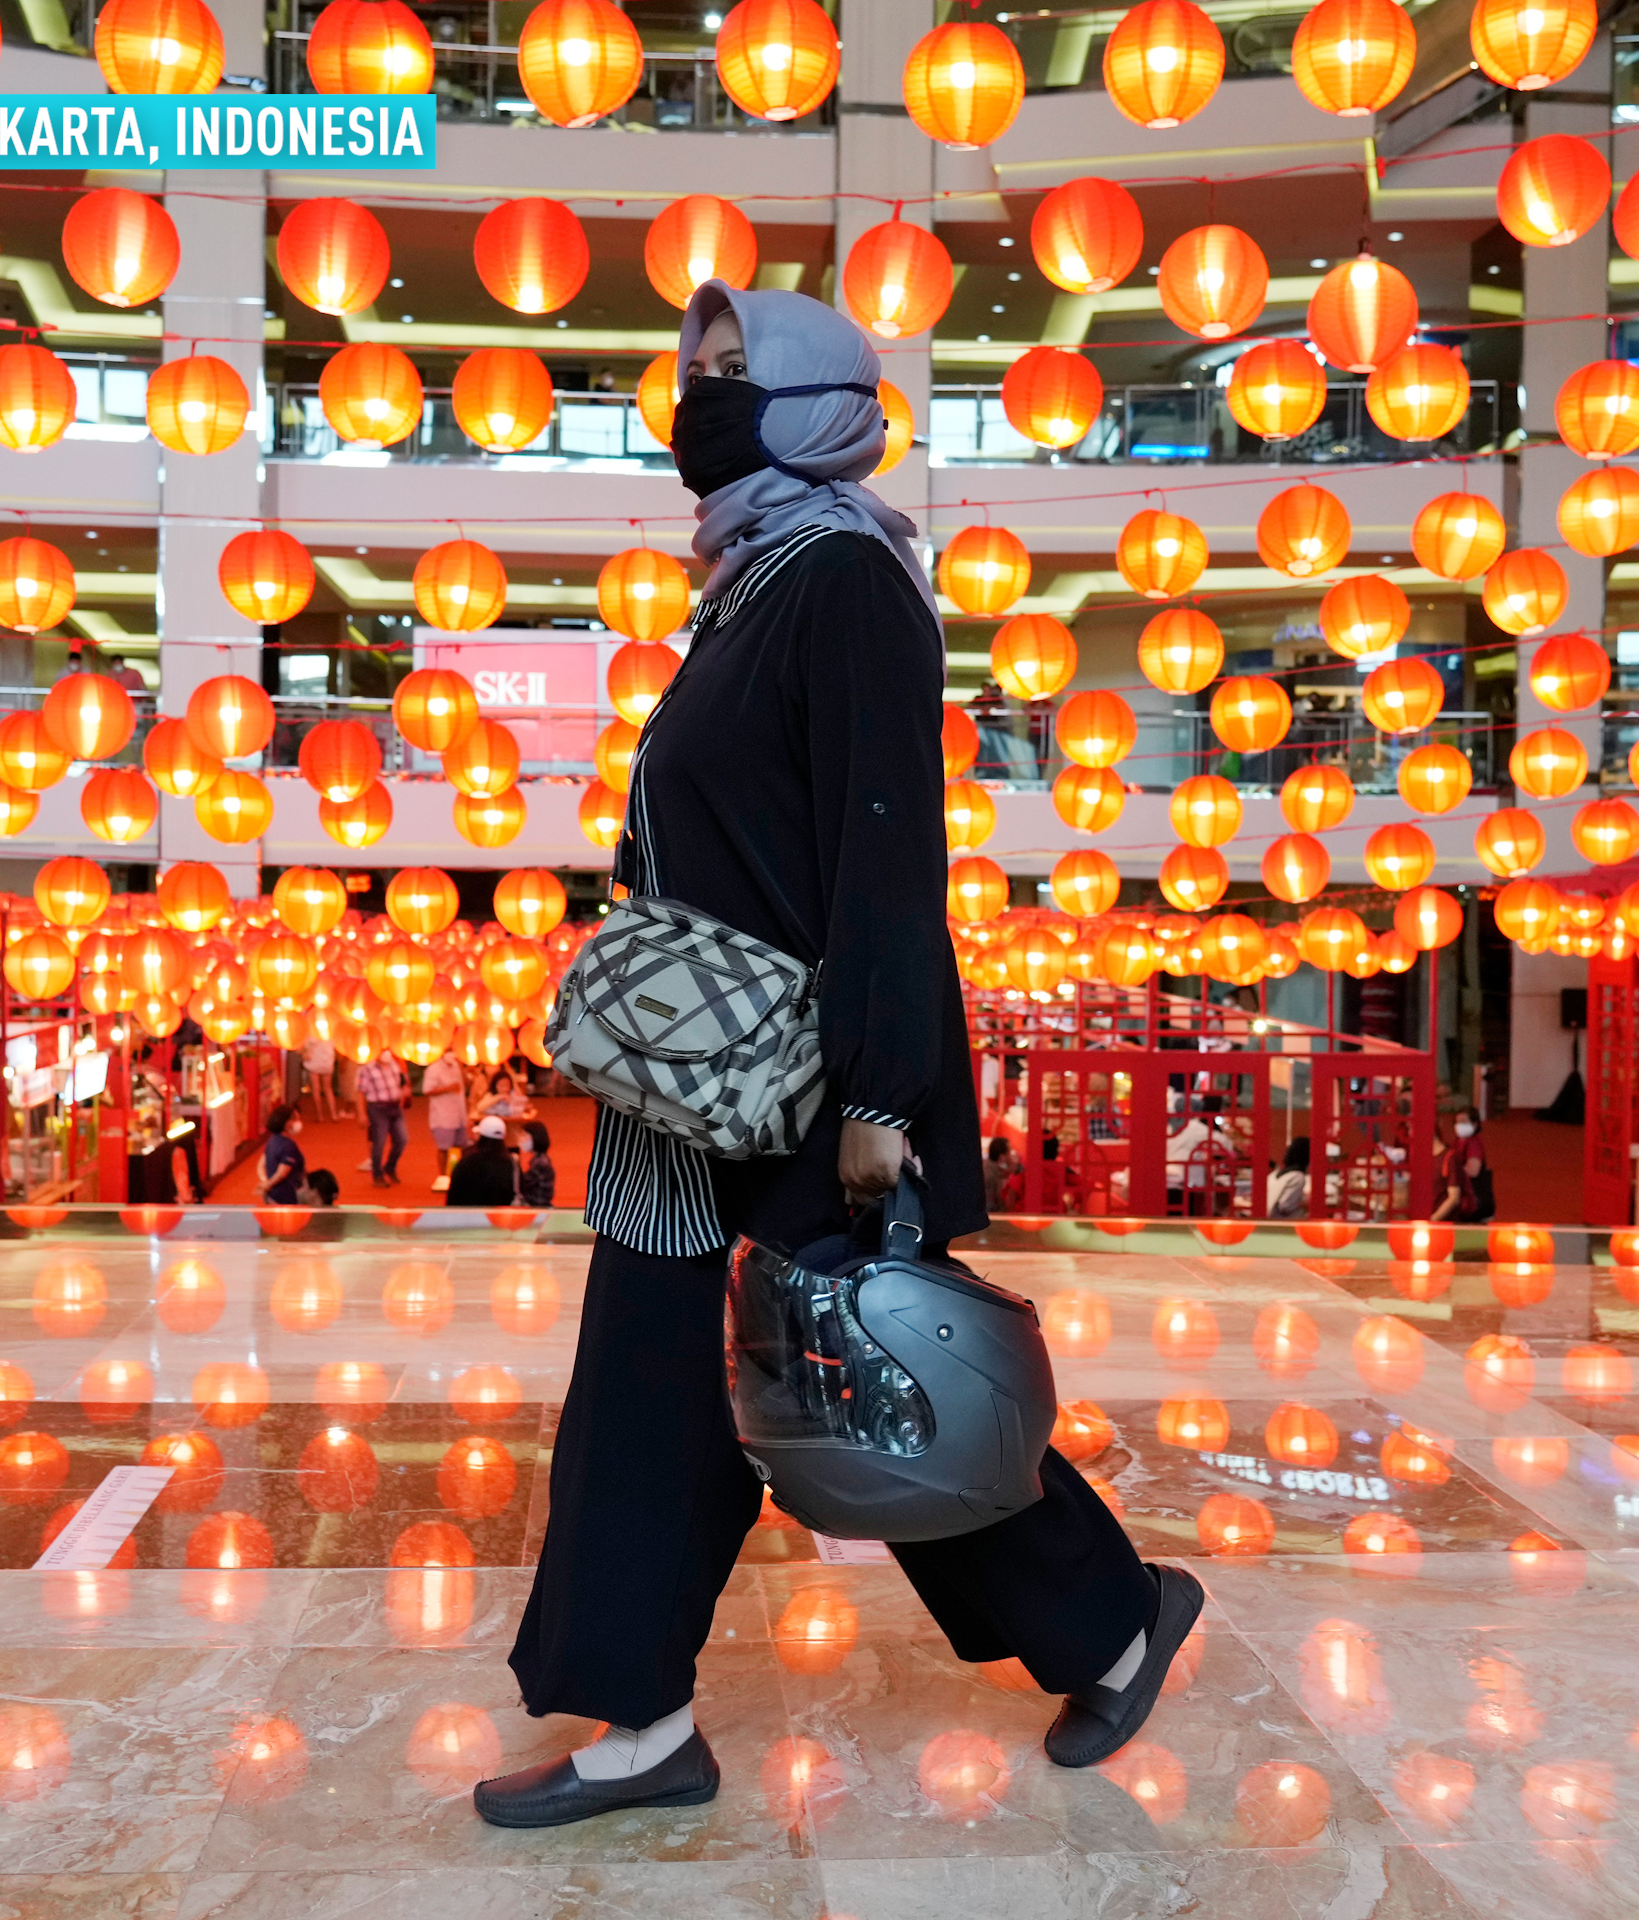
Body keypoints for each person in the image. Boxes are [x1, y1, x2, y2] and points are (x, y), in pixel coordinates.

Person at [475, 282, 1188, 1833]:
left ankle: (1115, 1624)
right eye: (696, 371)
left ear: (818, 399)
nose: (705, 397)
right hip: (695, 1078)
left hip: (803, 1075)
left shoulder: (847, 580)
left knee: (872, 1379)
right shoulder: (741, 584)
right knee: (654, 1389)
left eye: (738, 370)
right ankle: (643, 1721)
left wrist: (879, 1087)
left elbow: (885, 852)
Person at [356, 1048, 410, 1189]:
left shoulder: (394, 1065)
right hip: (378, 1108)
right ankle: (377, 1175)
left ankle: (390, 1166)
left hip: (395, 1107)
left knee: (402, 1139)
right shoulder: (367, 1069)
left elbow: (401, 1083)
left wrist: (403, 1094)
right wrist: (361, 1114)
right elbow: (360, 1092)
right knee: (379, 1142)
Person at [1431, 1106, 1493, 1222]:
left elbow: (1473, 1170)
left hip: (1473, 1203)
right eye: (1457, 1122)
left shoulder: (1473, 1143)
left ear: (1475, 1124)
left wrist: (1453, 1169)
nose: (1459, 1125)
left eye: (1464, 1122)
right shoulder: (1459, 1141)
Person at [446, 1114, 520, 1205]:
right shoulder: (511, 1162)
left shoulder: (467, 1162)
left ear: (480, 1136)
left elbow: (454, 1195)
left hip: (469, 1212)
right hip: (500, 1213)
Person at [423, 1051, 470, 1191]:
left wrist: (463, 1068)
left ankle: (459, 1177)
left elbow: (466, 1084)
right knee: (444, 1148)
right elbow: (427, 1090)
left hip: (459, 1114)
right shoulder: (434, 1069)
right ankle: (443, 1178)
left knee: (461, 1147)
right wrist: (448, 1088)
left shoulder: (456, 1066)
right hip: (442, 1116)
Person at [259, 1103, 309, 1204]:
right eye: (295, 1119)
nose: (298, 1123)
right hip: (287, 1198)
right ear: (287, 1123)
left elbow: (260, 1166)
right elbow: (282, 1173)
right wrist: (267, 1185)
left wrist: (266, 1182)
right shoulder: (288, 1146)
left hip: (273, 1196)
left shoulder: (272, 1140)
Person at [1266, 1136, 1310, 1217]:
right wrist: (1306, 1204)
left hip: (1267, 1219)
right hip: (1283, 1222)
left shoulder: (1275, 1174)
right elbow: (1286, 1206)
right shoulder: (1297, 1177)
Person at [518, 1117, 556, 1207]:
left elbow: (523, 1183)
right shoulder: (539, 1160)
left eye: (525, 1136)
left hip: (538, 1208)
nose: (522, 1140)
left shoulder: (540, 1163)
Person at [302, 1031, 338, 1122]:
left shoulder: (311, 1032)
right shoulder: (329, 1030)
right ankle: (334, 1115)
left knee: (316, 1089)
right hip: (327, 1061)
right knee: (328, 1088)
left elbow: (305, 1044)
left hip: (314, 1061)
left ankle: (320, 1116)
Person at [983, 1135, 1018, 1212]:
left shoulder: (988, 1165)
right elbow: (999, 1201)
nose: (1011, 1155)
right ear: (1002, 1156)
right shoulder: (992, 1175)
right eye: (1009, 1152)